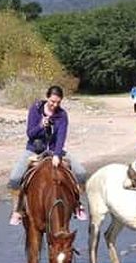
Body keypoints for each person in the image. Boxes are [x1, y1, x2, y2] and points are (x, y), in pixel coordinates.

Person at [7, 85, 87, 226]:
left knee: (81, 172)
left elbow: (61, 136)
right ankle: (17, 210)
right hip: (34, 150)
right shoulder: (35, 109)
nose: (55, 105)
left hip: (55, 150)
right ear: (47, 98)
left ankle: (77, 204)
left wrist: (57, 154)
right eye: (52, 101)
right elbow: (30, 134)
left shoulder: (62, 115)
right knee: (14, 178)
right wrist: (40, 126)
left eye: (58, 102)